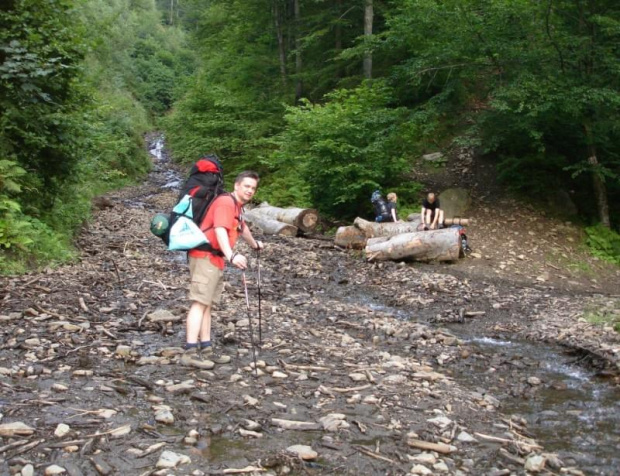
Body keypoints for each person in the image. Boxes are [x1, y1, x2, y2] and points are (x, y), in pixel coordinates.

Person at [180, 171, 264, 368]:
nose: (250, 190)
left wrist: (254, 244)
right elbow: (219, 229)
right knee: (200, 303)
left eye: (253, 188)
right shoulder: (226, 202)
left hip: (214, 258)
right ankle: (190, 351)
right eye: (247, 186)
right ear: (237, 185)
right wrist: (232, 256)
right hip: (204, 256)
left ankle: (206, 349)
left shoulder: (236, 206)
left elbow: (241, 228)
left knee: (207, 304)